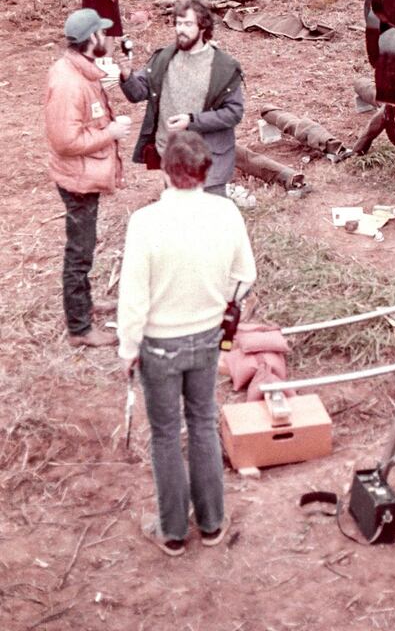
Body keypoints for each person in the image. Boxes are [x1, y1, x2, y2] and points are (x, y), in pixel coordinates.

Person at [117, 130, 256, 556]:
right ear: (205, 170)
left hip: (159, 344)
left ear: (165, 171)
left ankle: (173, 531)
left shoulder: (145, 223)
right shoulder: (226, 213)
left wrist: (128, 347)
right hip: (206, 338)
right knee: (202, 424)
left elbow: (134, 295)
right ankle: (212, 522)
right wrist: (225, 303)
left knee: (164, 435)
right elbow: (245, 275)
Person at [45, 8, 132, 348]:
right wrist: (109, 132)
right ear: (90, 40)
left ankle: (84, 305)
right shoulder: (69, 83)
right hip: (76, 178)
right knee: (79, 252)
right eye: (103, 33)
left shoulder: (81, 72)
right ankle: (80, 329)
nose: (108, 39)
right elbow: (65, 142)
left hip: (82, 174)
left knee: (83, 247)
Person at [115, 0, 244, 196]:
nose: (180, 29)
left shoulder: (224, 67)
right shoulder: (163, 58)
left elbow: (233, 113)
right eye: (178, 23)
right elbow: (138, 93)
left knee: (209, 223)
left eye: (187, 24)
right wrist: (127, 75)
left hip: (209, 162)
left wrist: (192, 121)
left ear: (203, 27)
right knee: (179, 220)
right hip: (171, 158)